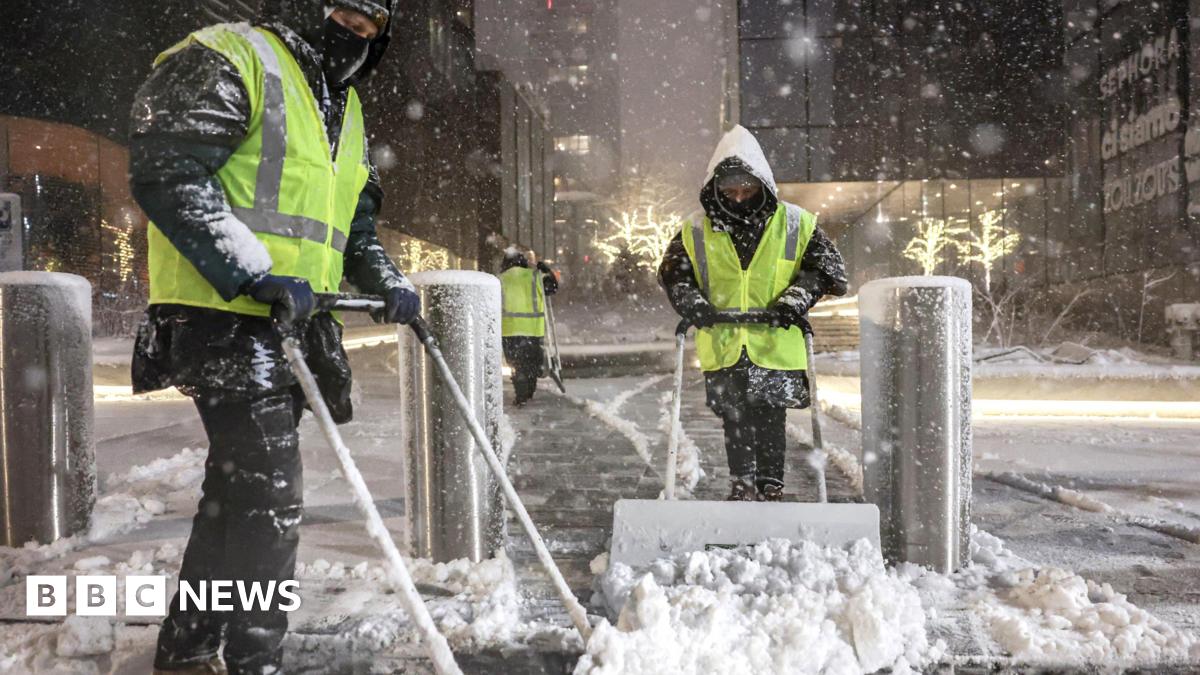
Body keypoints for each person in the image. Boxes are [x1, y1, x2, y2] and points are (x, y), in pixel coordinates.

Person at [128, 1, 417, 673]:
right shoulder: (235, 58)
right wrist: (252, 269)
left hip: (287, 325)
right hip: (218, 315)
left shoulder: (343, 109)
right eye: (348, 15)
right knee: (270, 493)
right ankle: (256, 660)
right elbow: (167, 168)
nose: (357, 38)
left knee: (238, 494)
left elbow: (355, 224)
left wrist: (385, 280)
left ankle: (188, 645)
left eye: (372, 31)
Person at [658, 125, 847, 502]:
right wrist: (694, 304)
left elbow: (829, 272)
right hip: (725, 341)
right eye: (731, 190)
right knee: (735, 417)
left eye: (748, 189)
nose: (740, 197)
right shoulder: (695, 229)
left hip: (775, 341)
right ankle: (742, 484)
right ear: (716, 188)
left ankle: (770, 485)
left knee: (771, 417)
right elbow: (675, 275)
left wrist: (794, 300)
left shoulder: (796, 223)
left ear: (763, 185)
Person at [499, 249, 559, 406]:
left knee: (517, 365)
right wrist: (547, 270)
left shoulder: (500, 280)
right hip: (533, 331)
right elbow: (552, 287)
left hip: (509, 331)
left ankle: (521, 395)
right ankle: (529, 392)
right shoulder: (534, 276)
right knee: (531, 364)